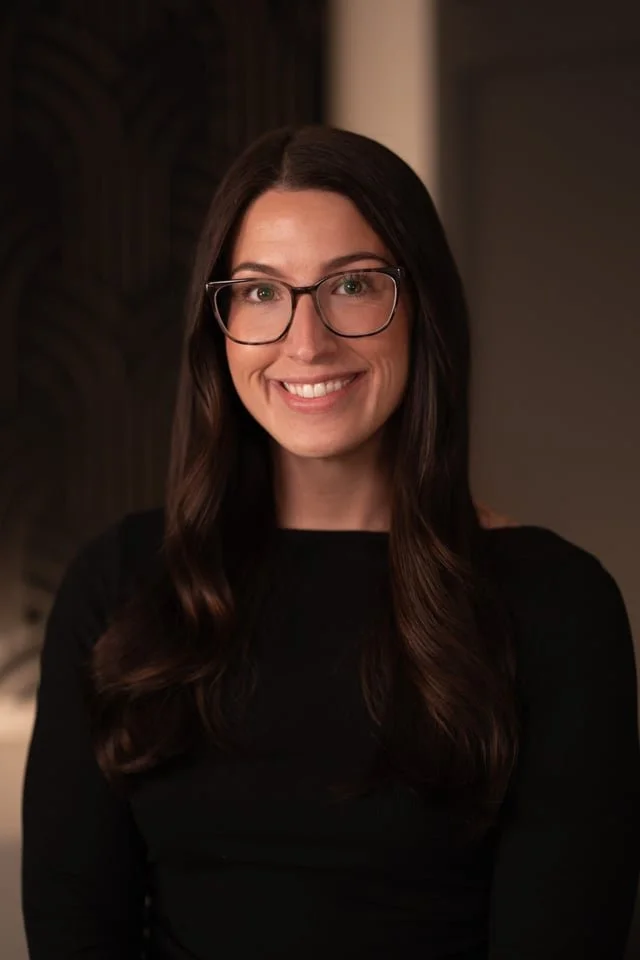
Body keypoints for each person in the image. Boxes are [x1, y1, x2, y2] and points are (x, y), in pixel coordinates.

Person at [21, 126, 640, 960]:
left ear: (421, 307)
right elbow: (73, 926)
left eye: (351, 284)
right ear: (219, 326)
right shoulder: (119, 584)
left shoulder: (557, 603)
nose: (305, 342)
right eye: (260, 291)